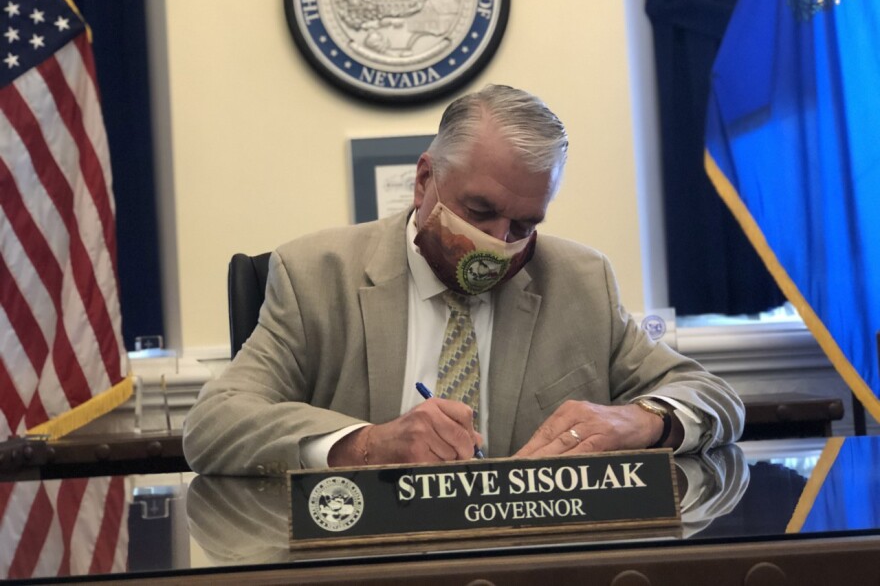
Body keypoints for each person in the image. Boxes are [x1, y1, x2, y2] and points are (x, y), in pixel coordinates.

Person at [183, 85, 743, 476]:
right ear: (425, 180)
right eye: (480, 211)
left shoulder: (580, 281)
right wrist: (369, 444)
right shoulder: (315, 276)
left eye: (524, 224)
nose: (501, 241)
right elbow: (215, 424)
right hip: (366, 563)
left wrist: (639, 422)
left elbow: (714, 397)